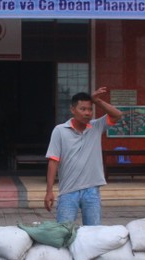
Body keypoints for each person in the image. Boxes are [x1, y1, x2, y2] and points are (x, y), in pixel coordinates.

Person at [44, 87, 122, 225]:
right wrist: (49, 191)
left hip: (91, 190)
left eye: (90, 109)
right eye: (83, 109)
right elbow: (53, 161)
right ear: (72, 110)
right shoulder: (60, 130)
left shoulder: (96, 127)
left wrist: (97, 101)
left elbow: (117, 115)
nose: (87, 113)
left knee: (93, 233)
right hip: (68, 191)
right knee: (64, 231)